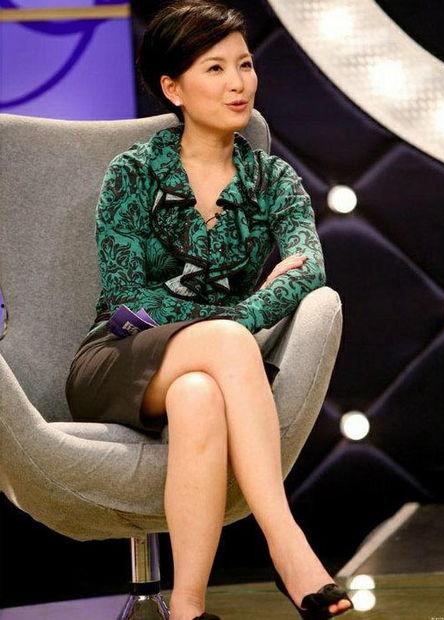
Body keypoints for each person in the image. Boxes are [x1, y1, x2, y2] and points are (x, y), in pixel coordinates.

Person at [65, 1, 353, 619]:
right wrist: (236, 318)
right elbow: (126, 296)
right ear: (173, 88)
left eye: (244, 65)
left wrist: (226, 328)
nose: (238, 83)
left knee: (199, 394)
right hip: (116, 358)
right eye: (215, 68)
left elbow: (309, 268)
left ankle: (188, 608)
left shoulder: (272, 181)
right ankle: (287, 545)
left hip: (207, 369)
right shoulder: (133, 173)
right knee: (225, 343)